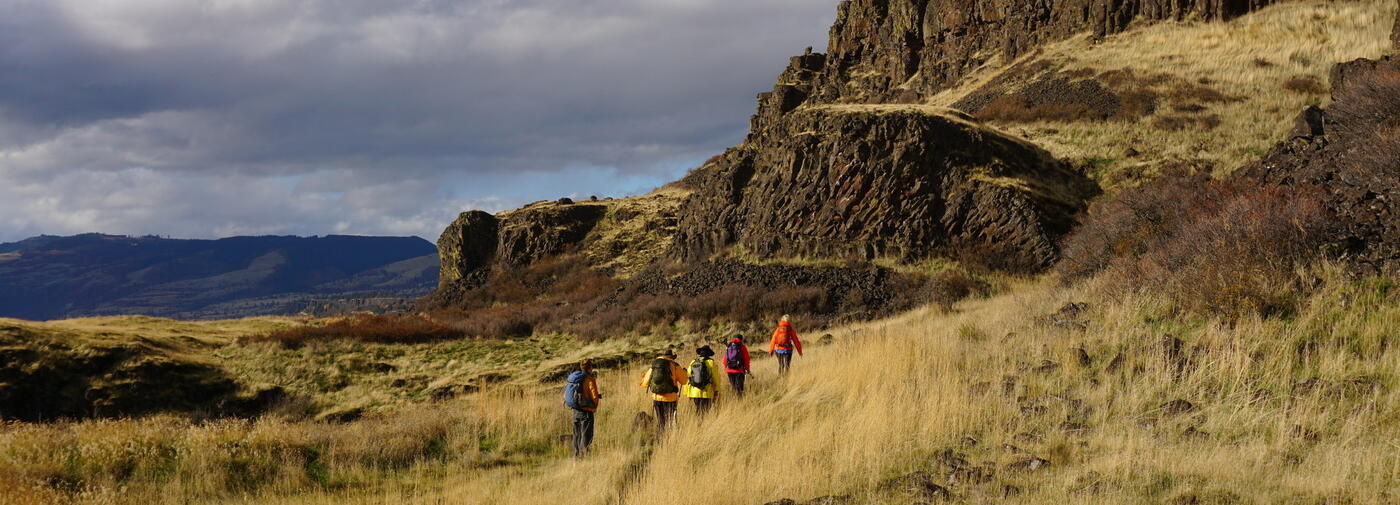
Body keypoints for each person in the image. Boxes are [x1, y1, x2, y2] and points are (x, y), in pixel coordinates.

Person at [638, 348, 687, 436]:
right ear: (672, 357)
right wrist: (685, 373)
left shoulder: (655, 365)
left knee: (661, 420)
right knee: (669, 419)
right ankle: (668, 438)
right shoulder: (675, 365)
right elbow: (684, 381)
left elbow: (645, 383)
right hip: (670, 398)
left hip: (656, 397)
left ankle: (660, 436)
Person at [563, 359, 602, 457]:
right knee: (586, 435)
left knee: (576, 435)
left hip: (576, 410)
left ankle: (576, 456)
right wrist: (594, 404)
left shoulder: (575, 378)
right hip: (586, 412)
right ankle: (584, 456)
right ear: (590, 368)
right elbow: (594, 398)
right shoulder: (589, 379)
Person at [682, 346, 721, 415]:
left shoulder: (693, 362)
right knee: (705, 411)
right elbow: (715, 378)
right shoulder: (711, 363)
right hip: (707, 391)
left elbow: (688, 377)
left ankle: (698, 423)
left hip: (694, 392)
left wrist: (687, 392)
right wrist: (716, 390)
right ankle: (702, 424)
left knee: (698, 409)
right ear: (709, 354)